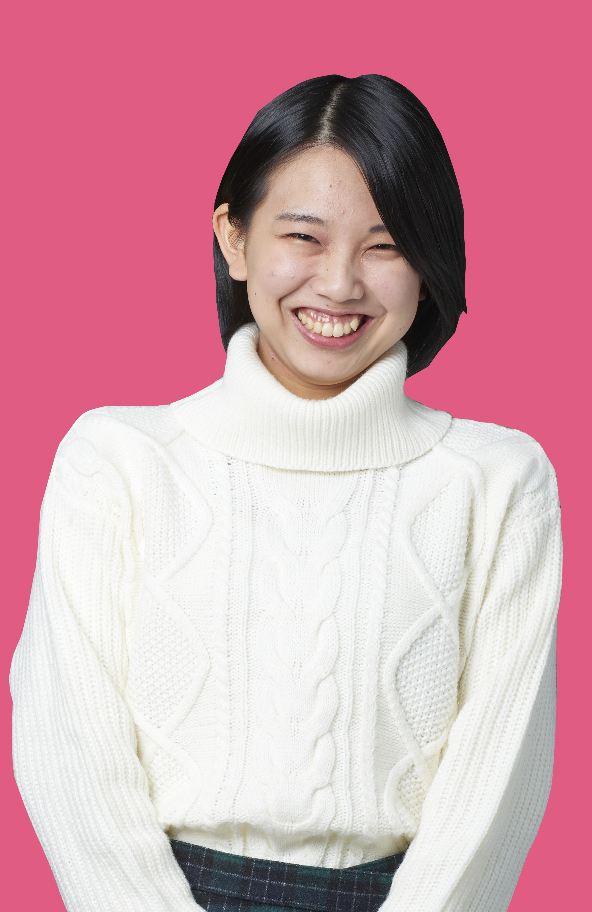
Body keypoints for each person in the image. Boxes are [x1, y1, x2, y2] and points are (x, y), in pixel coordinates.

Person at [9, 74, 563, 912]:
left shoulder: (499, 483)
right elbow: (67, 752)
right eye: (303, 236)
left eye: (385, 245)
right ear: (233, 239)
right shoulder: (116, 462)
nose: (338, 284)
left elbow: (499, 780)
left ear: (428, 265)